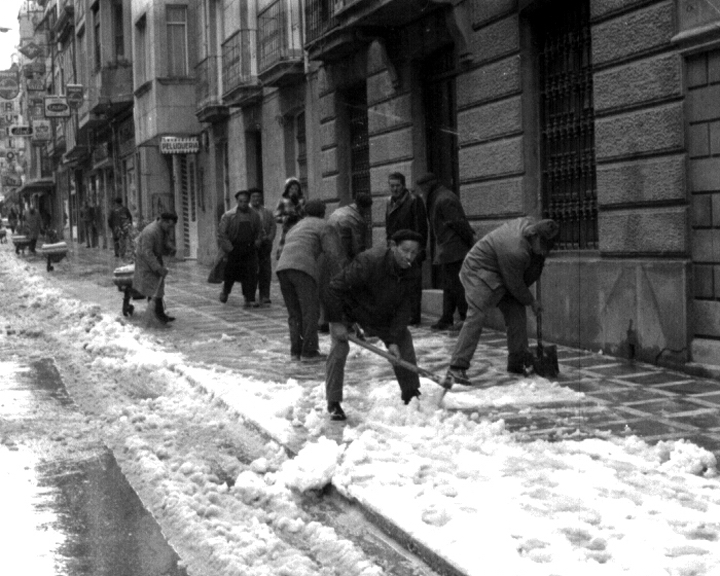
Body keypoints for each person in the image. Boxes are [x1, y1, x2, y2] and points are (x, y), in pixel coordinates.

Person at [445, 217, 560, 386]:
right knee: (477, 314)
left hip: (500, 272)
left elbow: (523, 275)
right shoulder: (515, 249)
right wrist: (532, 301)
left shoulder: (531, 230)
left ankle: (517, 361)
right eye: (543, 246)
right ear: (534, 236)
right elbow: (515, 283)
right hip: (478, 270)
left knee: (516, 312)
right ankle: (456, 367)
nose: (544, 251)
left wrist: (539, 260)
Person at [324, 229, 425, 421]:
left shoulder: (413, 271)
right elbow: (335, 288)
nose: (409, 256)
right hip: (349, 309)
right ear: (393, 246)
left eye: (414, 252)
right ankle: (333, 401)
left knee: (404, 340)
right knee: (339, 348)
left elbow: (405, 308)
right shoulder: (369, 261)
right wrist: (337, 323)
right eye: (405, 250)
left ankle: (410, 393)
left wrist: (393, 340)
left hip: (381, 314)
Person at [276, 199, 341, 362]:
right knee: (310, 311)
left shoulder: (296, 226)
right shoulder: (324, 225)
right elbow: (332, 254)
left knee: (294, 313)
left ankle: (296, 352)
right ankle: (309, 352)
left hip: (282, 268)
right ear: (322, 212)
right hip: (303, 269)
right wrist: (339, 278)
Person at [416, 173, 475, 332]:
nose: (421, 192)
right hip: (446, 249)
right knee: (449, 285)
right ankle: (446, 318)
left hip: (454, 249)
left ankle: (464, 318)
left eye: (422, 188)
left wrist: (470, 241)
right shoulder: (437, 197)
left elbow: (458, 223)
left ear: (429, 185)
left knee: (457, 285)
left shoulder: (444, 198)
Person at [385, 172, 428, 325]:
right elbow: (388, 227)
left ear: (403, 185)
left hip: (411, 248)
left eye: (397, 186)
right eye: (392, 186)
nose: (394, 189)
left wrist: (420, 249)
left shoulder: (414, 200)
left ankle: (413, 316)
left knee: (413, 283)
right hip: (396, 249)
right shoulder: (389, 202)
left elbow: (421, 227)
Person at [218, 190, 264, 307]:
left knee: (250, 273)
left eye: (245, 201)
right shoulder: (229, 216)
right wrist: (230, 249)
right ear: (237, 201)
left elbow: (259, 231)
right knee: (231, 273)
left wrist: (257, 242)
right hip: (234, 248)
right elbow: (222, 234)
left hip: (249, 247)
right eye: (241, 201)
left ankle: (249, 298)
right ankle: (226, 291)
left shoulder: (254, 215)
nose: (243, 204)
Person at [133, 212, 178, 324]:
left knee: (157, 288)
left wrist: (169, 248)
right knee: (153, 288)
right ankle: (158, 315)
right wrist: (158, 268)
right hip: (146, 263)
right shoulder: (150, 231)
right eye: (169, 225)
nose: (170, 228)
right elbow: (147, 252)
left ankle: (159, 313)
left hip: (155, 259)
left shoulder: (161, 229)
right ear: (163, 221)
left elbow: (163, 243)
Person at [249, 188, 277, 306]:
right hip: (252, 246)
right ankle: (250, 296)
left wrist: (269, 238)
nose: (256, 199)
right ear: (250, 198)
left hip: (265, 245)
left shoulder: (267, 212)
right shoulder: (246, 212)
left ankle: (265, 295)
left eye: (258, 196)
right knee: (252, 271)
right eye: (254, 197)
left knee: (265, 270)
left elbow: (273, 226)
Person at [274, 176, 306, 261]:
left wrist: (297, 205)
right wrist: (286, 218)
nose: (294, 191)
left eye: (296, 189)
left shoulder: (302, 200)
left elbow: (305, 215)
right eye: (291, 189)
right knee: (286, 255)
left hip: (300, 229)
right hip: (287, 230)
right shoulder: (283, 201)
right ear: (287, 189)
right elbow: (276, 217)